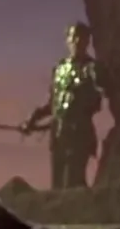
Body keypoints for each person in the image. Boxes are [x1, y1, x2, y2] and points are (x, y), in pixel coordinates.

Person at [20, 23, 105, 190]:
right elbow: (53, 103)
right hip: (59, 133)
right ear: (67, 40)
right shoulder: (60, 69)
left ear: (87, 41)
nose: (76, 41)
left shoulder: (92, 68)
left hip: (79, 133)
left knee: (74, 181)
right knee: (57, 183)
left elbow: (98, 99)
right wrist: (33, 119)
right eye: (73, 36)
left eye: (81, 37)